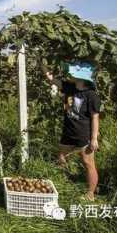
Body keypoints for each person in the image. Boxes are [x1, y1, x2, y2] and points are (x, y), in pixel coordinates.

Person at [46, 62, 100, 201]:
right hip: (68, 132)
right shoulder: (70, 88)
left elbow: (95, 117)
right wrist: (42, 64)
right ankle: (64, 182)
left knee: (88, 163)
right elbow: (51, 78)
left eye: (74, 74)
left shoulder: (91, 95)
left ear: (82, 78)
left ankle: (90, 193)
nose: (70, 75)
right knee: (62, 157)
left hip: (83, 135)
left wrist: (94, 138)